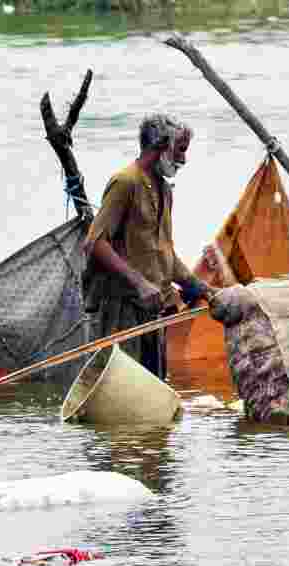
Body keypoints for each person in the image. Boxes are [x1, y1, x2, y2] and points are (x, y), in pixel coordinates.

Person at [82, 114, 216, 380]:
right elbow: (94, 243)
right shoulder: (126, 182)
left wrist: (199, 287)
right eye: (180, 150)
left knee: (152, 386)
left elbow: (164, 253)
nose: (183, 159)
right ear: (160, 146)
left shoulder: (165, 191)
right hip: (122, 309)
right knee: (121, 386)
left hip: (155, 310)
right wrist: (140, 283)